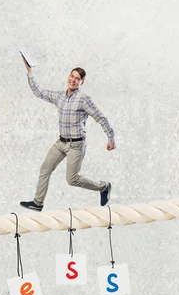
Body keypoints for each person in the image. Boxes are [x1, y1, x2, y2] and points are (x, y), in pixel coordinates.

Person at [19, 54, 115, 211]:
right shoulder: (59, 97)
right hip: (60, 143)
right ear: (68, 77)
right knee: (45, 169)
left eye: (77, 78)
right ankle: (38, 203)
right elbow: (39, 92)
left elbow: (100, 118)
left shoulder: (83, 99)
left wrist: (110, 138)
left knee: (72, 180)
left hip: (76, 146)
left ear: (81, 82)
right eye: (72, 76)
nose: (73, 80)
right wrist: (29, 70)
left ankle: (103, 187)